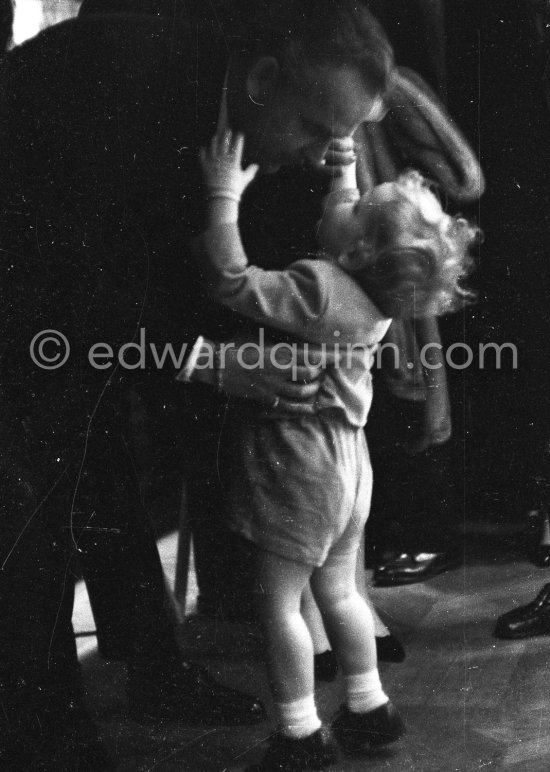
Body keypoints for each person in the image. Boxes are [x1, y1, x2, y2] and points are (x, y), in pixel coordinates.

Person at [0, 2, 401, 768]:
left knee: (101, 449)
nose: (326, 156)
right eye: (319, 131)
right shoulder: (122, 89)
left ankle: (155, 668)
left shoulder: (235, 103)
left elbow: (183, 261)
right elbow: (76, 289)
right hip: (27, 271)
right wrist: (206, 359)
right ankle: (45, 720)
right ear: (263, 80)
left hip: (82, 279)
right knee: (35, 484)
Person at [189, 125, 476, 769]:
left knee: (277, 600)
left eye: (350, 213)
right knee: (342, 592)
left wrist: (223, 197)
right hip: (350, 467)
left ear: (355, 252)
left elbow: (231, 279)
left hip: (299, 466)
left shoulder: (318, 288)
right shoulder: (372, 298)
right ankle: (370, 707)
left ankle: (298, 731)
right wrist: (345, 162)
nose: (337, 205)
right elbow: (346, 217)